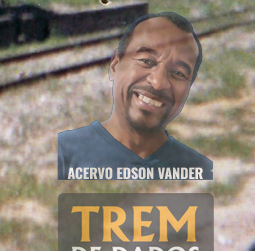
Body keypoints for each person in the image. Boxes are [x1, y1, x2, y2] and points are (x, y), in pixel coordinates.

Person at [58, 12, 213, 181]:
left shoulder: (197, 170)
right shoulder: (63, 155)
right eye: (146, 61)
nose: (158, 82)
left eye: (177, 73)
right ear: (115, 64)